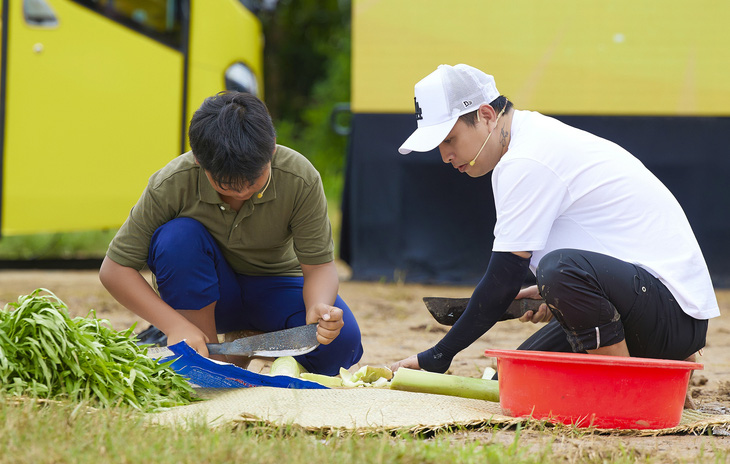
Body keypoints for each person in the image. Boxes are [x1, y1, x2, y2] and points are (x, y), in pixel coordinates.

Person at [392, 64, 719, 379]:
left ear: (486, 116)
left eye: (449, 139)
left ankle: (627, 386)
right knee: (512, 376)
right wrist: (558, 296)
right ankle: (666, 370)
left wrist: (438, 355)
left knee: (558, 269)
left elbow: (503, 280)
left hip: (671, 318)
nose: (445, 155)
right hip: (661, 312)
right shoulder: (527, 142)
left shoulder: (526, 159)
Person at [99, 91, 363, 376]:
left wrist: (319, 306)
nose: (242, 191)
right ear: (199, 160)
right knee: (177, 237)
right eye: (226, 184)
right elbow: (114, 270)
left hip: (274, 288)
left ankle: (239, 350)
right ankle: (206, 351)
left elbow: (319, 267)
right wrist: (175, 326)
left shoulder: (300, 177)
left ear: (272, 149)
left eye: (254, 180)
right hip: (205, 298)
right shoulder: (172, 182)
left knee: (341, 345)